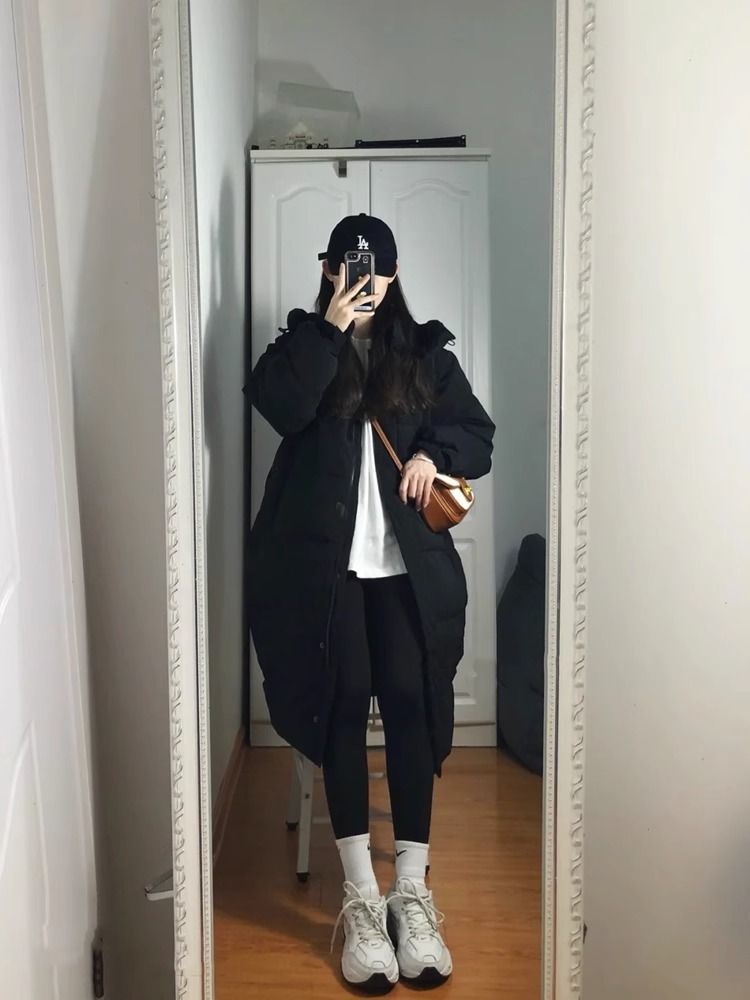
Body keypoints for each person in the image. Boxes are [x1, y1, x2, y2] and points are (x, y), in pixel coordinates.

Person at [246, 214, 495, 993]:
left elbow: (476, 434)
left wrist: (430, 452)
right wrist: (327, 327)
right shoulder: (301, 346)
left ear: (394, 275)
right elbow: (279, 407)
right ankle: (359, 896)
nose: (365, 284)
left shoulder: (422, 353)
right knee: (344, 704)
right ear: (330, 269)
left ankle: (410, 894)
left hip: (404, 569)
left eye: (377, 272)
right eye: (351, 269)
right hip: (327, 571)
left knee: (413, 703)